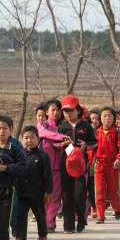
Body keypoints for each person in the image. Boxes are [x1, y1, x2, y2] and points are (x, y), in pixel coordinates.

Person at [56, 95, 97, 233]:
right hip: (65, 165)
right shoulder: (61, 127)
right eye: (65, 111)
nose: (68, 113)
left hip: (81, 166)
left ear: (78, 110)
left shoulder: (86, 126)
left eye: (71, 110)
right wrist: (63, 144)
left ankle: (81, 219)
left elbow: (95, 142)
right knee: (66, 196)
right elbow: (55, 144)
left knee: (79, 195)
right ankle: (68, 226)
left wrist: (86, 145)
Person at [12, 126, 52, 240]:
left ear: (38, 139)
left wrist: (48, 191)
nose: (29, 140)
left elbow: (47, 175)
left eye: (32, 137)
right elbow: (15, 172)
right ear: (22, 139)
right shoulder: (19, 154)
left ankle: (42, 235)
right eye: (26, 138)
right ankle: (20, 238)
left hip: (37, 192)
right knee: (21, 216)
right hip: (22, 191)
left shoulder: (43, 156)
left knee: (40, 215)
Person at [37, 98, 68, 233]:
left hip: (58, 168)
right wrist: (61, 137)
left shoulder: (64, 126)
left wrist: (63, 144)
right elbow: (43, 134)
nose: (55, 113)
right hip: (42, 167)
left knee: (55, 196)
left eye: (58, 110)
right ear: (47, 112)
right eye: (52, 110)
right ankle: (42, 221)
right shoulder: (43, 125)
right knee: (42, 197)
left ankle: (50, 222)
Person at [91, 107, 120, 223]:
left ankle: (117, 208)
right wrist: (91, 165)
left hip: (113, 166)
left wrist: (119, 159)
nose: (107, 118)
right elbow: (91, 150)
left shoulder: (117, 133)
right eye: (104, 116)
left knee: (113, 191)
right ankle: (101, 216)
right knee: (100, 192)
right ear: (100, 118)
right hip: (99, 166)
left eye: (110, 116)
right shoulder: (95, 133)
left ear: (114, 119)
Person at [86, 108, 101, 218]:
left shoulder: (100, 132)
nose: (94, 121)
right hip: (84, 162)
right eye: (92, 119)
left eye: (97, 119)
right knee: (85, 187)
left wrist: (92, 165)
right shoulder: (86, 131)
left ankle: (93, 206)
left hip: (96, 164)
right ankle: (86, 207)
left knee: (92, 187)